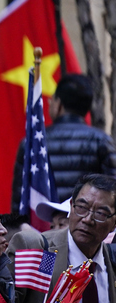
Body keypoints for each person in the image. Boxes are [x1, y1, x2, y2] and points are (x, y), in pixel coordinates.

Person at [8, 174, 116, 303]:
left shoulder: (112, 262)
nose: (88, 219)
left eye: (100, 214)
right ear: (71, 208)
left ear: (114, 223)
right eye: (81, 208)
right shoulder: (43, 252)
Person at [12, 74, 116, 212]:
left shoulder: (30, 143)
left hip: (43, 228)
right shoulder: (102, 141)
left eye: (52, 100)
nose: (49, 104)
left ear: (59, 104)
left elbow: (19, 200)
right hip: (87, 227)